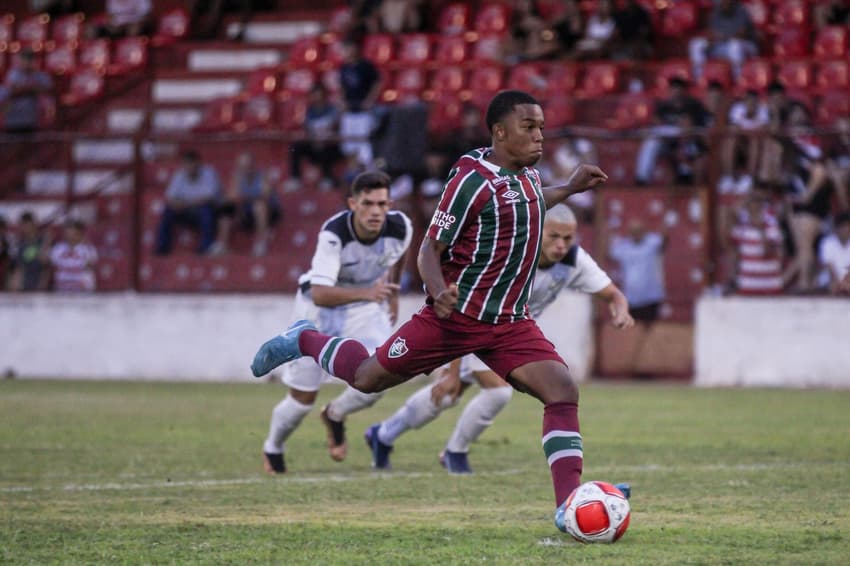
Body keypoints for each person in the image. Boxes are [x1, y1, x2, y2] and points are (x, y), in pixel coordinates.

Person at [250, 90, 614, 534]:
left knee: (562, 391)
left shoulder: (526, 176)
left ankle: (568, 505)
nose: (540, 136)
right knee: (367, 378)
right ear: (500, 132)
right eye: (529, 127)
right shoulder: (470, 179)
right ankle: (304, 338)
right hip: (454, 319)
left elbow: (530, 202)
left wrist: (570, 188)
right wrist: (439, 291)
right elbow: (429, 249)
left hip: (509, 322)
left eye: (542, 127)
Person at [363, 204, 634, 473]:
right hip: (473, 324)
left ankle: (383, 435)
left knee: (449, 395)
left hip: (507, 336)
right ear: (537, 232)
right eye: (554, 236)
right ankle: (454, 453)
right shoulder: (508, 255)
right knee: (496, 391)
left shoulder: (575, 261)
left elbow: (613, 293)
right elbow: (464, 305)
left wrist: (620, 309)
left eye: (567, 238)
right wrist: (453, 368)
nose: (562, 245)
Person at [258, 171, 413, 474]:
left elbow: (401, 255)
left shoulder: (400, 226)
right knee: (302, 399)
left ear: (390, 203)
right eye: (368, 203)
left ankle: (336, 414)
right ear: (353, 204)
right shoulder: (334, 234)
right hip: (316, 310)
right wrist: (369, 292)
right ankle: (273, 447)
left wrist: (392, 293)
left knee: (382, 375)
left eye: (382, 204)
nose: (376, 212)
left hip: (364, 309)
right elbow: (320, 293)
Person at [608, 217, 668, 376]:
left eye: (639, 231)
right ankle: (633, 365)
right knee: (631, 333)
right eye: (633, 231)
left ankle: (652, 364)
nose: (636, 234)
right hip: (631, 299)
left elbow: (664, 242)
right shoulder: (623, 247)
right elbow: (609, 253)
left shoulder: (652, 242)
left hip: (651, 297)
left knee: (650, 331)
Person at [634, 77, 710, 186]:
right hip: (667, 141)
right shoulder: (664, 106)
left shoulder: (693, 105)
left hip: (692, 141)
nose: (676, 91)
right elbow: (656, 123)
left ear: (684, 91)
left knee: (684, 134)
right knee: (651, 141)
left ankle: (685, 172)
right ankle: (642, 178)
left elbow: (696, 127)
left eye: (679, 88)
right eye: (673, 88)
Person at [155, 150, 223, 256]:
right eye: (186, 164)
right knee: (168, 210)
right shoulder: (179, 175)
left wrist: (185, 203)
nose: (189, 167)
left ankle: (205, 246)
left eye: (192, 164)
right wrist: (181, 204)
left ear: (198, 163)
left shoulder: (209, 173)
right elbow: (170, 198)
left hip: (207, 212)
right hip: (187, 210)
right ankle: (162, 247)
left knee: (206, 210)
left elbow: (209, 198)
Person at [217, 151, 280, 256]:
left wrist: (243, 197)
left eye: (248, 166)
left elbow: (265, 195)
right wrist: (244, 198)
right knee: (226, 209)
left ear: (253, 165)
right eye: (242, 167)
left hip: (268, 211)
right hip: (245, 210)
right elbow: (231, 196)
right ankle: (222, 244)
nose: (246, 169)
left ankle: (260, 242)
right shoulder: (237, 177)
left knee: (259, 206)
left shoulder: (263, 176)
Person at [285, 85, 343, 192]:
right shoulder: (309, 112)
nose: (317, 99)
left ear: (324, 96)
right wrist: (313, 139)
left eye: (319, 96)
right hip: (315, 144)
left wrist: (325, 138)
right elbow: (307, 130)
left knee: (326, 148)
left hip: (331, 145)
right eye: (315, 96)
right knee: (297, 146)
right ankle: (295, 179)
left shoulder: (333, 110)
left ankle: (328, 178)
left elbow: (337, 128)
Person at [728, 193, 784, 295]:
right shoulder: (741, 227)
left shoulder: (771, 225)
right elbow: (734, 253)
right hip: (748, 285)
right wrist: (733, 278)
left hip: (770, 286)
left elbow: (769, 252)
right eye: (750, 204)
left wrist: (761, 230)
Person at [688, 0, 758, 79]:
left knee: (735, 45)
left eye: (725, 3)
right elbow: (711, 33)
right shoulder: (716, 12)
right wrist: (711, 39)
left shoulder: (741, 11)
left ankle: (738, 78)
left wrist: (724, 37)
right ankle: (699, 77)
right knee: (696, 44)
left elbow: (742, 34)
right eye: (721, 3)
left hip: (745, 46)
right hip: (723, 45)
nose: (723, 5)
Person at [1, 48, 53, 133]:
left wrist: (24, 89)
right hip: (13, 119)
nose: (27, 62)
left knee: (32, 144)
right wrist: (32, 89)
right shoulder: (12, 74)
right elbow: (12, 91)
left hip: (34, 120)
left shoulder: (42, 76)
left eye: (30, 59)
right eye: (25, 59)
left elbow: (47, 90)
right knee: (14, 144)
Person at [49, 220, 98, 292]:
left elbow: (91, 265)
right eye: (67, 231)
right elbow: (45, 260)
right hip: (61, 290)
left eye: (71, 231)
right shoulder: (58, 248)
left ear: (79, 233)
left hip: (82, 291)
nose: (68, 234)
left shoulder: (88, 248)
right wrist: (47, 240)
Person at [8, 211, 49, 292]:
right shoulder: (19, 244)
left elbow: (46, 265)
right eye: (23, 225)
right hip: (23, 287)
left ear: (34, 224)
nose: (25, 228)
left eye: (27, 225)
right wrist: (14, 286)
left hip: (39, 286)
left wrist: (43, 285)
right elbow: (17, 268)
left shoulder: (43, 241)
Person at [819, 212, 850, 295]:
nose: (845, 230)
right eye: (843, 227)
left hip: (847, 281)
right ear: (836, 228)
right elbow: (830, 268)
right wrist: (840, 284)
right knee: (832, 285)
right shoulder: (827, 242)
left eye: (847, 227)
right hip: (830, 281)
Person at [89, 0, 154, 38]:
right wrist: (110, 24)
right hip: (117, 27)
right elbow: (110, 16)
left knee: (133, 30)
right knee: (92, 30)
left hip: (135, 26)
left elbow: (147, 16)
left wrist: (136, 24)